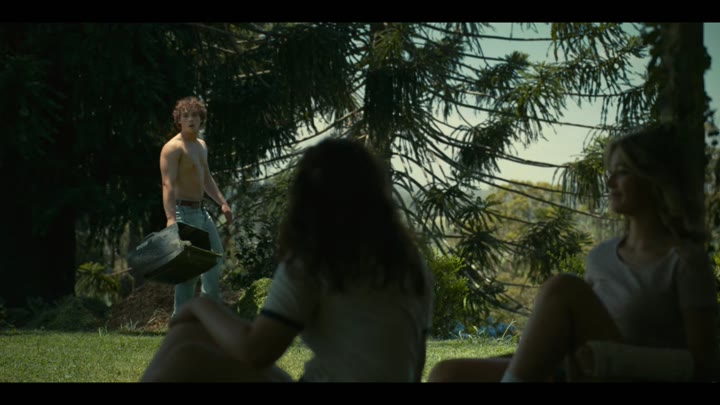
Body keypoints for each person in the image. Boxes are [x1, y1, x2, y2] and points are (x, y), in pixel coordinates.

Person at [429, 123, 719, 382]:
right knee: (448, 374)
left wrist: (612, 360)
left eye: (623, 172)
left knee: (563, 288)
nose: (610, 183)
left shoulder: (685, 262)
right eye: (611, 173)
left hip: (626, 375)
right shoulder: (600, 257)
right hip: (575, 370)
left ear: (655, 179)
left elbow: (704, 365)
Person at [141, 138, 433, 382]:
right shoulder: (409, 263)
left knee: (189, 352)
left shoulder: (315, 260)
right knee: (190, 334)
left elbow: (256, 351)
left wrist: (199, 305)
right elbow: (415, 362)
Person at [160, 96, 233, 318]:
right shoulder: (172, 148)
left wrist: (222, 203)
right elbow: (167, 184)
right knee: (190, 270)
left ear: (201, 119)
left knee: (215, 257)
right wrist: (171, 220)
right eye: (186, 116)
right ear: (179, 120)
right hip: (182, 212)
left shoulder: (201, 146)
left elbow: (206, 178)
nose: (190, 119)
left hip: (201, 211)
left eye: (195, 115)